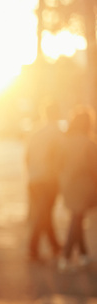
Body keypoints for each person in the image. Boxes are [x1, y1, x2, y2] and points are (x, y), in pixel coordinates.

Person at [57, 105, 97, 272]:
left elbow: (58, 163)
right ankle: (66, 257)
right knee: (76, 219)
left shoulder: (65, 141)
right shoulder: (88, 143)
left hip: (67, 185)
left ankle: (83, 255)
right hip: (82, 186)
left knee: (77, 219)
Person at [25, 103, 63, 262]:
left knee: (45, 213)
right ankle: (33, 249)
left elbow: (26, 157)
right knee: (43, 214)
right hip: (48, 179)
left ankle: (55, 245)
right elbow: (59, 158)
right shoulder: (57, 132)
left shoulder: (35, 132)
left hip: (33, 179)